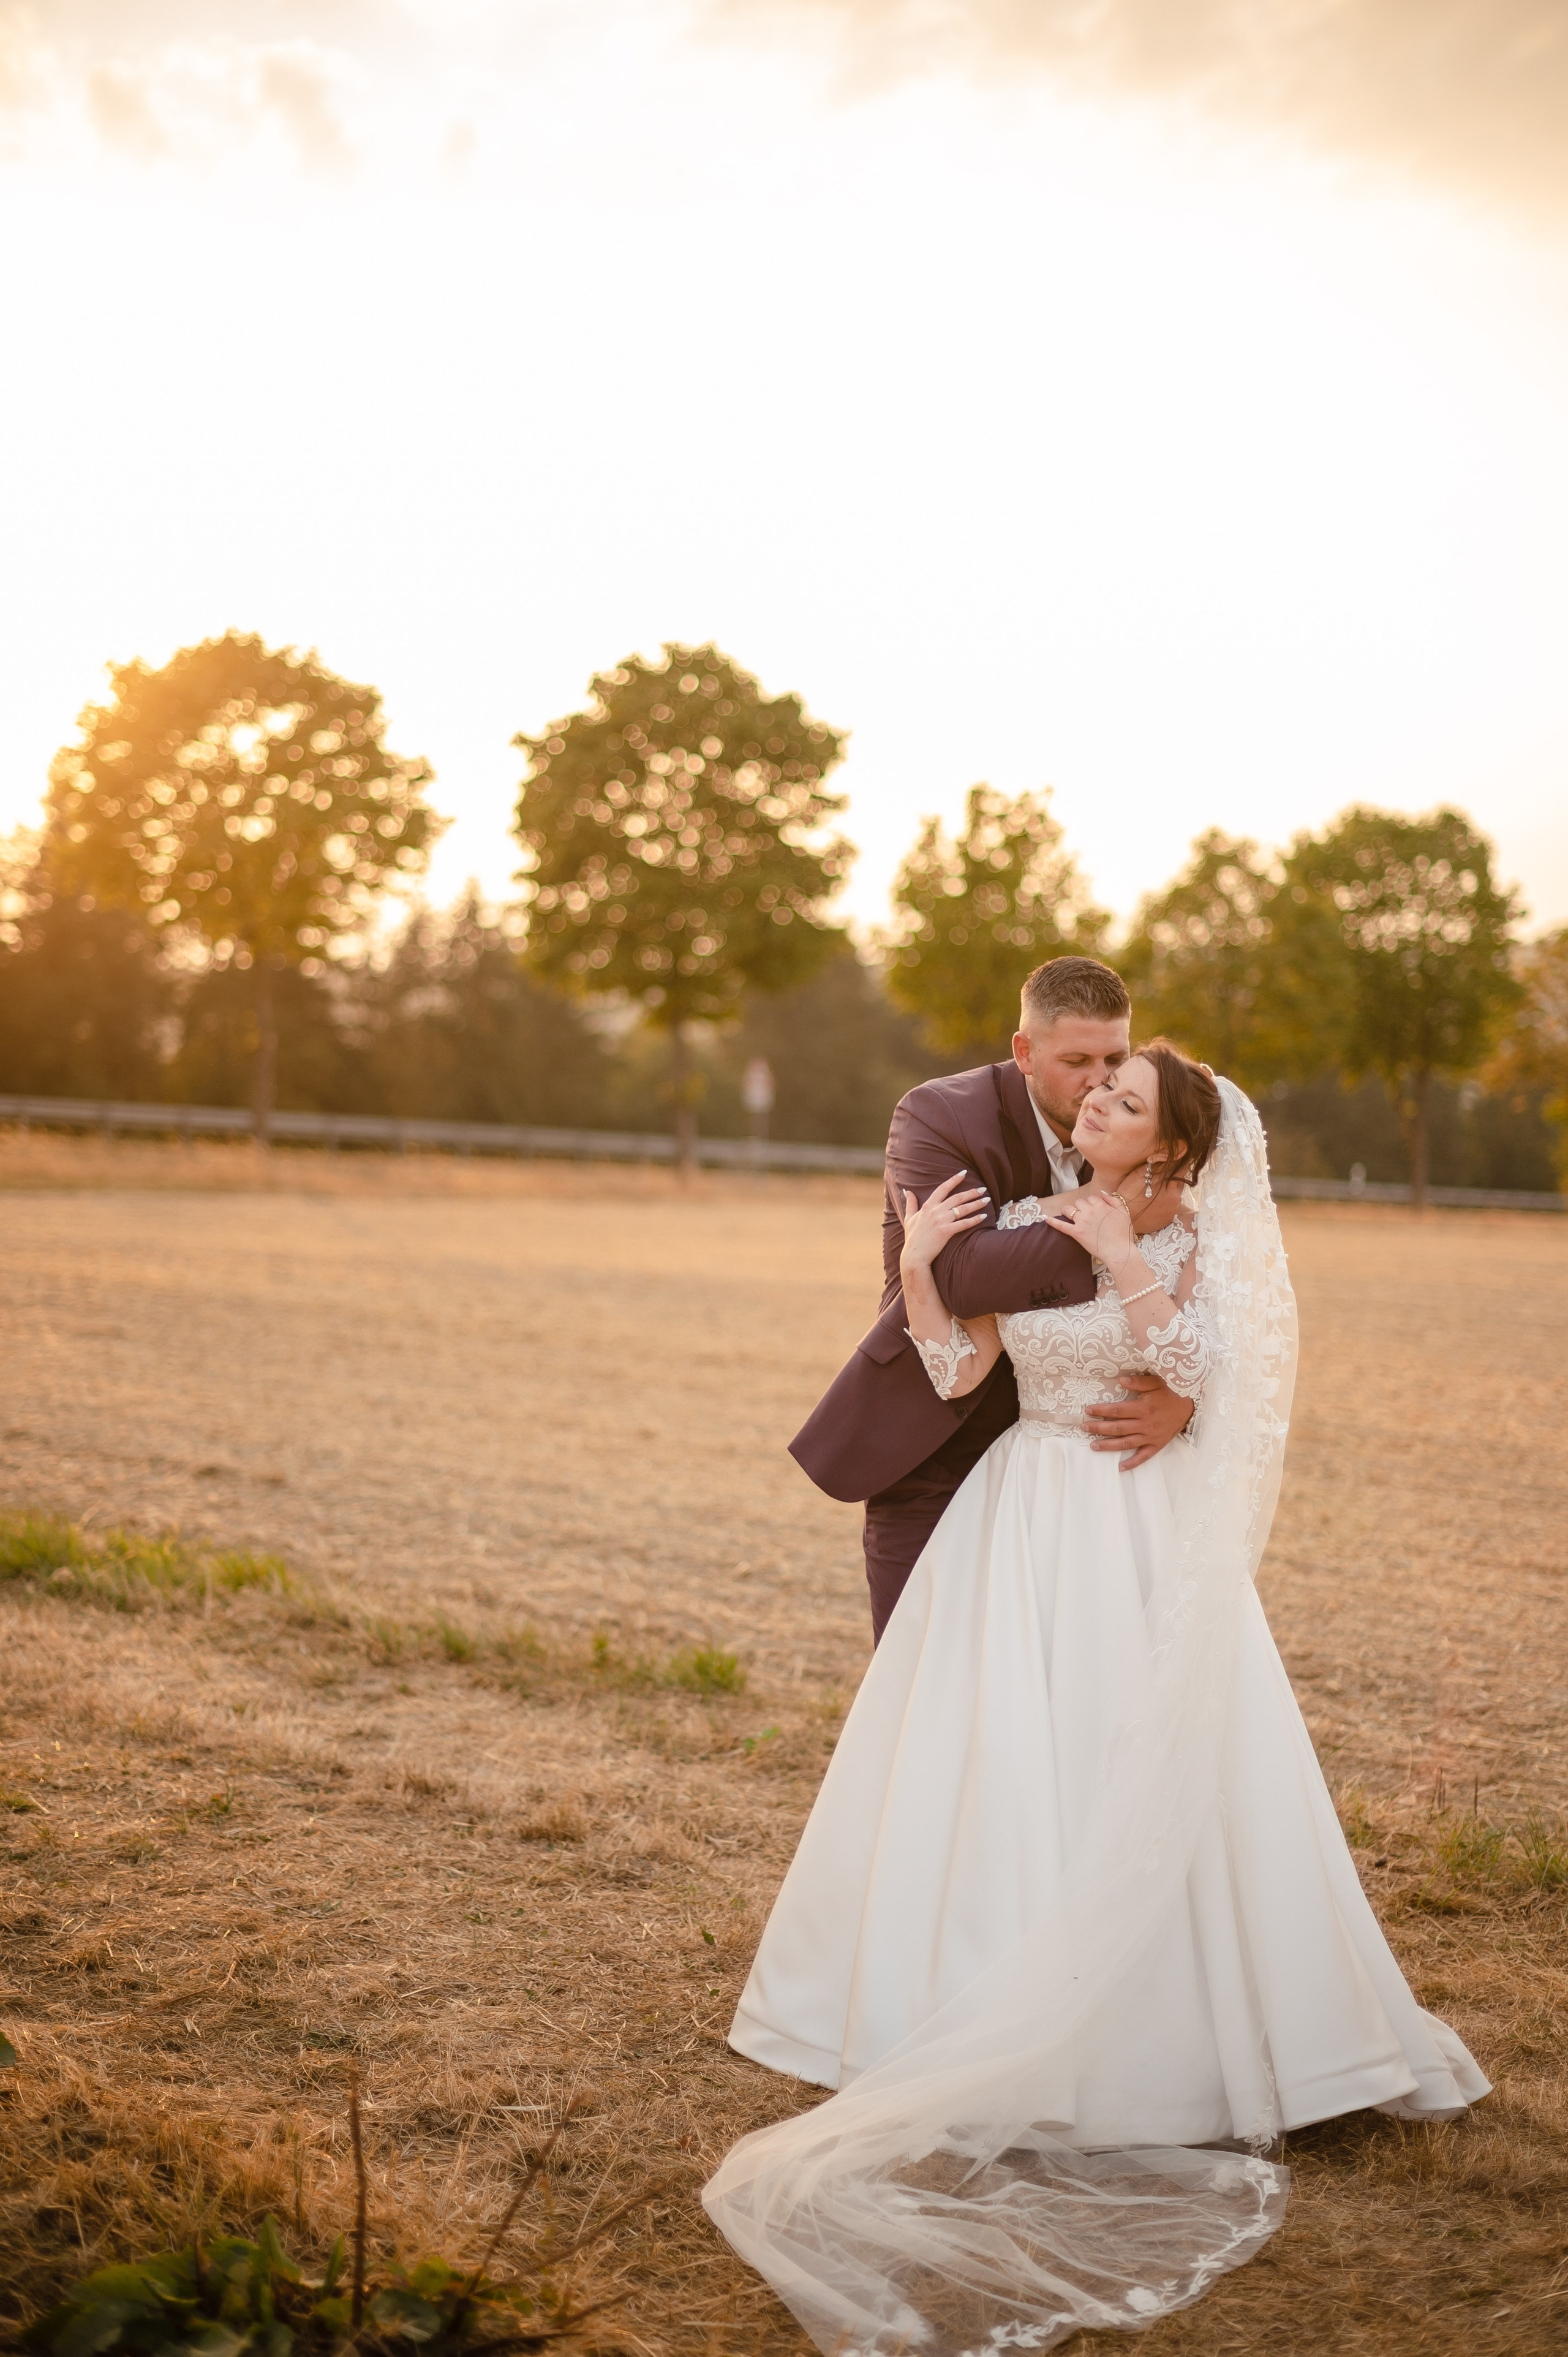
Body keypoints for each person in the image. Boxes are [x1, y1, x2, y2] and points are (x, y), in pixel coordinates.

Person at [705, 1044, 1487, 2357]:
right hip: (1021, 1514)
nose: (1093, 1103)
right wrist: (920, 1266)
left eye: (1122, 1100)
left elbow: (1210, 1366)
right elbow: (959, 1375)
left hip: (1138, 1527)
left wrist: (1125, 1258)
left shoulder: (1195, 1238)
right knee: (1009, 1762)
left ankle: (1216, 2046)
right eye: (1095, 1089)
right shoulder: (1028, 1216)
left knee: (1160, 1759)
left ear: (1169, 1149)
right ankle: (963, 2008)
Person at [790, 955, 1195, 1640]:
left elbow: (1210, 1303)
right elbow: (962, 1276)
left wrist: (1183, 1399)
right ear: (1024, 1052)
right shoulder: (940, 1115)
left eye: (1114, 1059)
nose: (1098, 1083)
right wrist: (1113, 1212)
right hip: (937, 1446)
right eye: (1076, 1061)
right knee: (925, 1668)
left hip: (1083, 1472)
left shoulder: (1139, 1129)